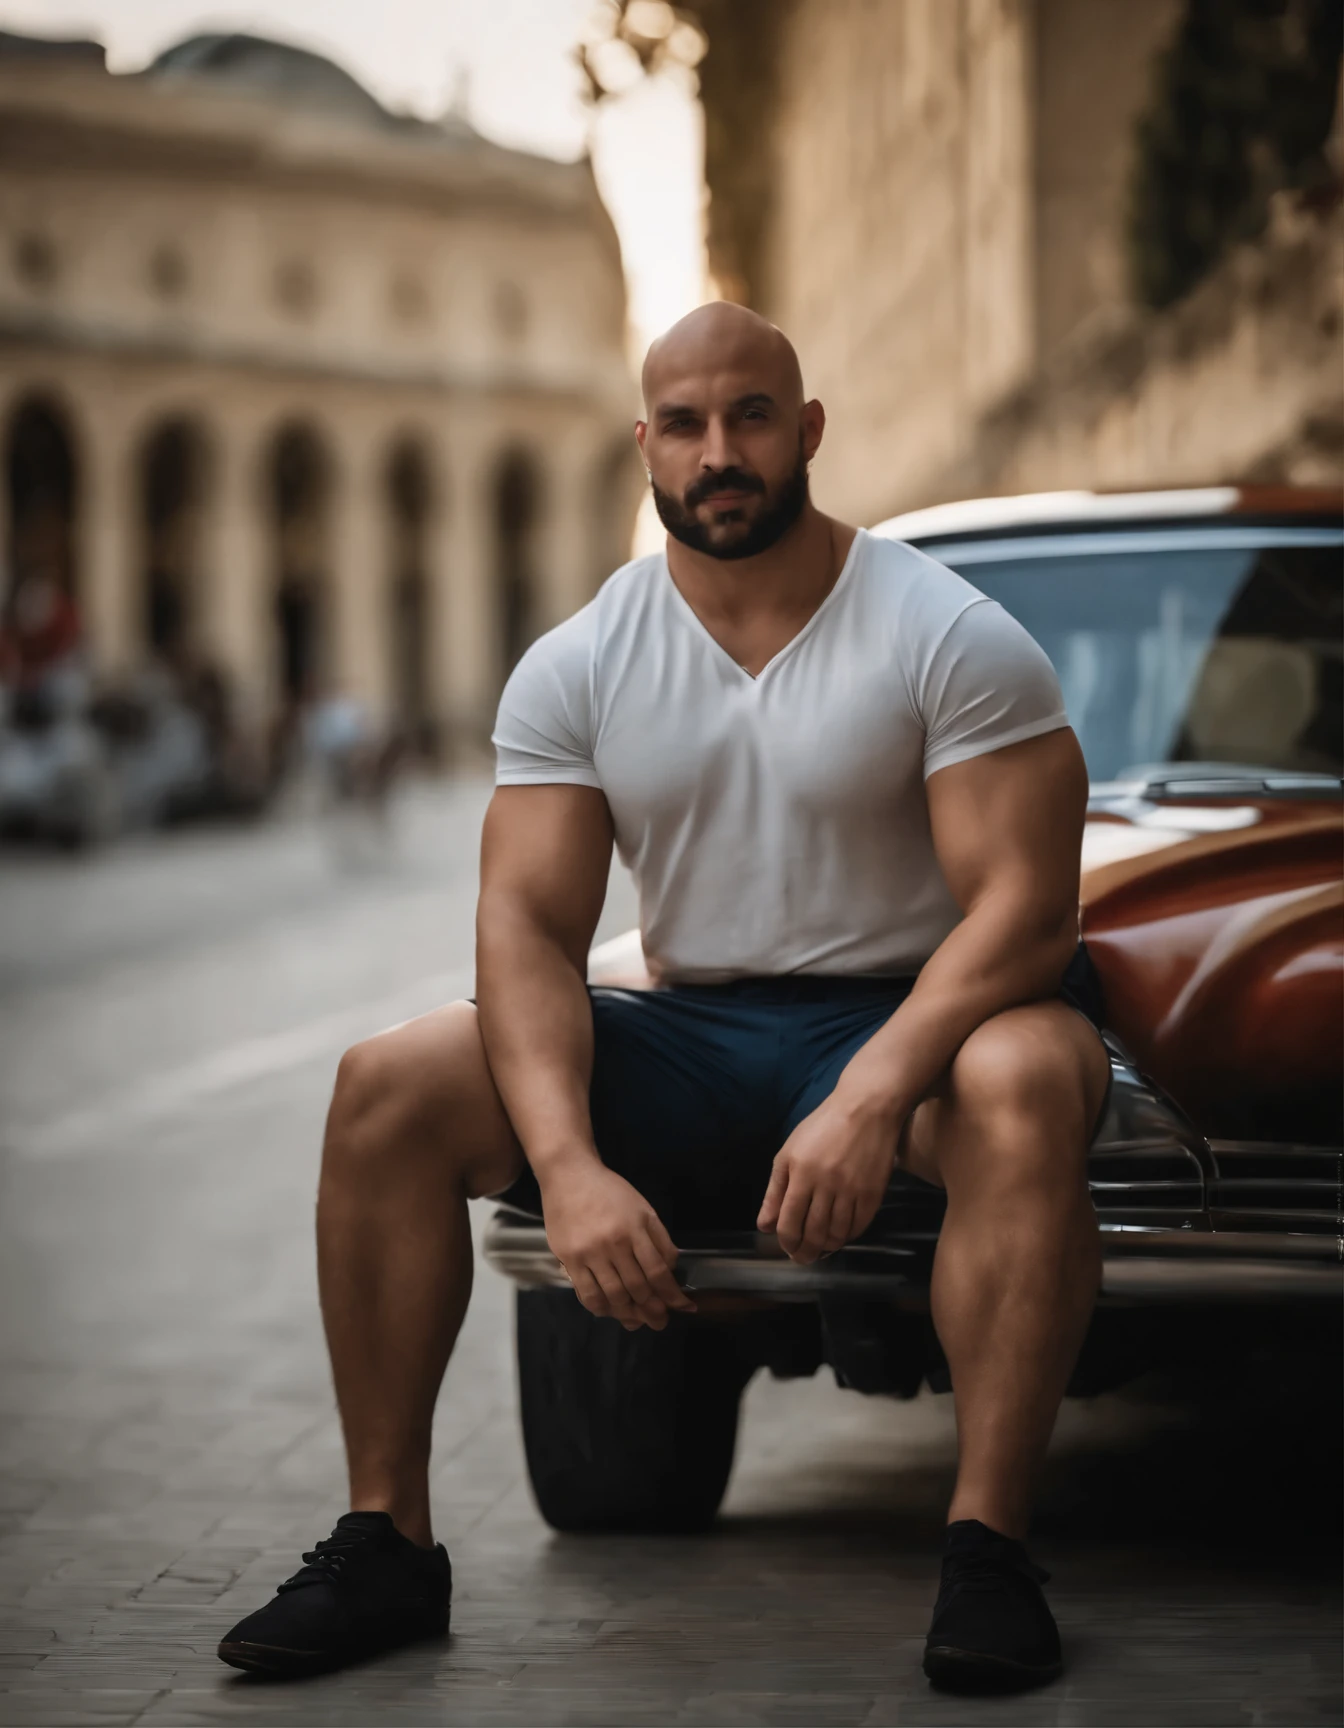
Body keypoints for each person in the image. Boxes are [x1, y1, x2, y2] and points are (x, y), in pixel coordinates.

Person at [218, 303, 1110, 1693]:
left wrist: (875, 1090)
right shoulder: (581, 661)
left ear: (806, 431)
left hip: (908, 1022)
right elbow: (523, 928)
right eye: (685, 425)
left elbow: (1029, 914)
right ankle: (385, 1542)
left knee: (1031, 1077)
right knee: (387, 1085)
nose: (720, 452)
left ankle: (989, 1550)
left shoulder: (946, 632)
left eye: (751, 416)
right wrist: (566, 1168)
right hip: (690, 1032)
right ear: (645, 446)